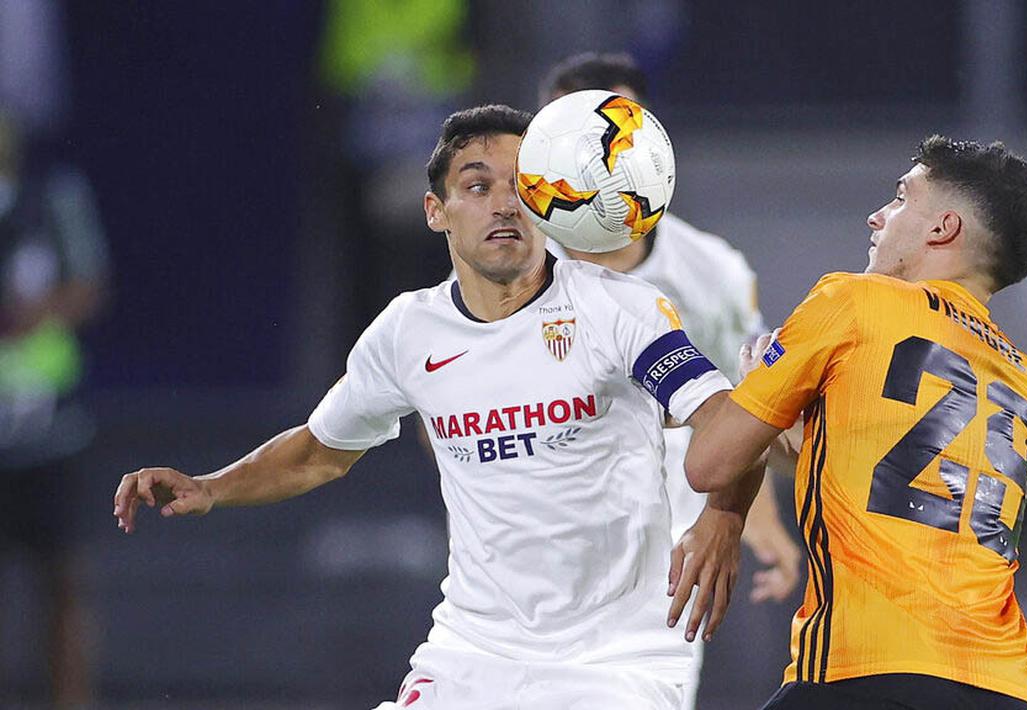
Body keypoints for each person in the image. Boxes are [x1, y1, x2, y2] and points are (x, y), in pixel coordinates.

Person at [114, 104, 763, 710]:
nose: (504, 203)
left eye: (520, 185)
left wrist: (725, 516)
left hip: (616, 658)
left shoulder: (617, 310)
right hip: (473, 651)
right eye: (478, 186)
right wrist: (209, 487)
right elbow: (318, 452)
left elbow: (728, 419)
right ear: (436, 210)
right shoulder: (407, 333)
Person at [685, 136, 1027, 709]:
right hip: (1002, 685)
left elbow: (709, 462)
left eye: (902, 198)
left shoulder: (854, 301)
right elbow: (866, 464)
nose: (878, 216)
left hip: (866, 671)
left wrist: (751, 381)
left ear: (942, 229)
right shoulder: (1024, 378)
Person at [541, 51, 802, 710]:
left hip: (659, 537)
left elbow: (746, 405)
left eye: (619, 133)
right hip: (534, 526)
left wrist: (756, 519)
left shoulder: (710, 272)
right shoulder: (508, 259)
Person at [0, 110, 108, 708]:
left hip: (50, 429)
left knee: (63, 580)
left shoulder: (51, 199)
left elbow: (89, 286)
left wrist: (35, 314)